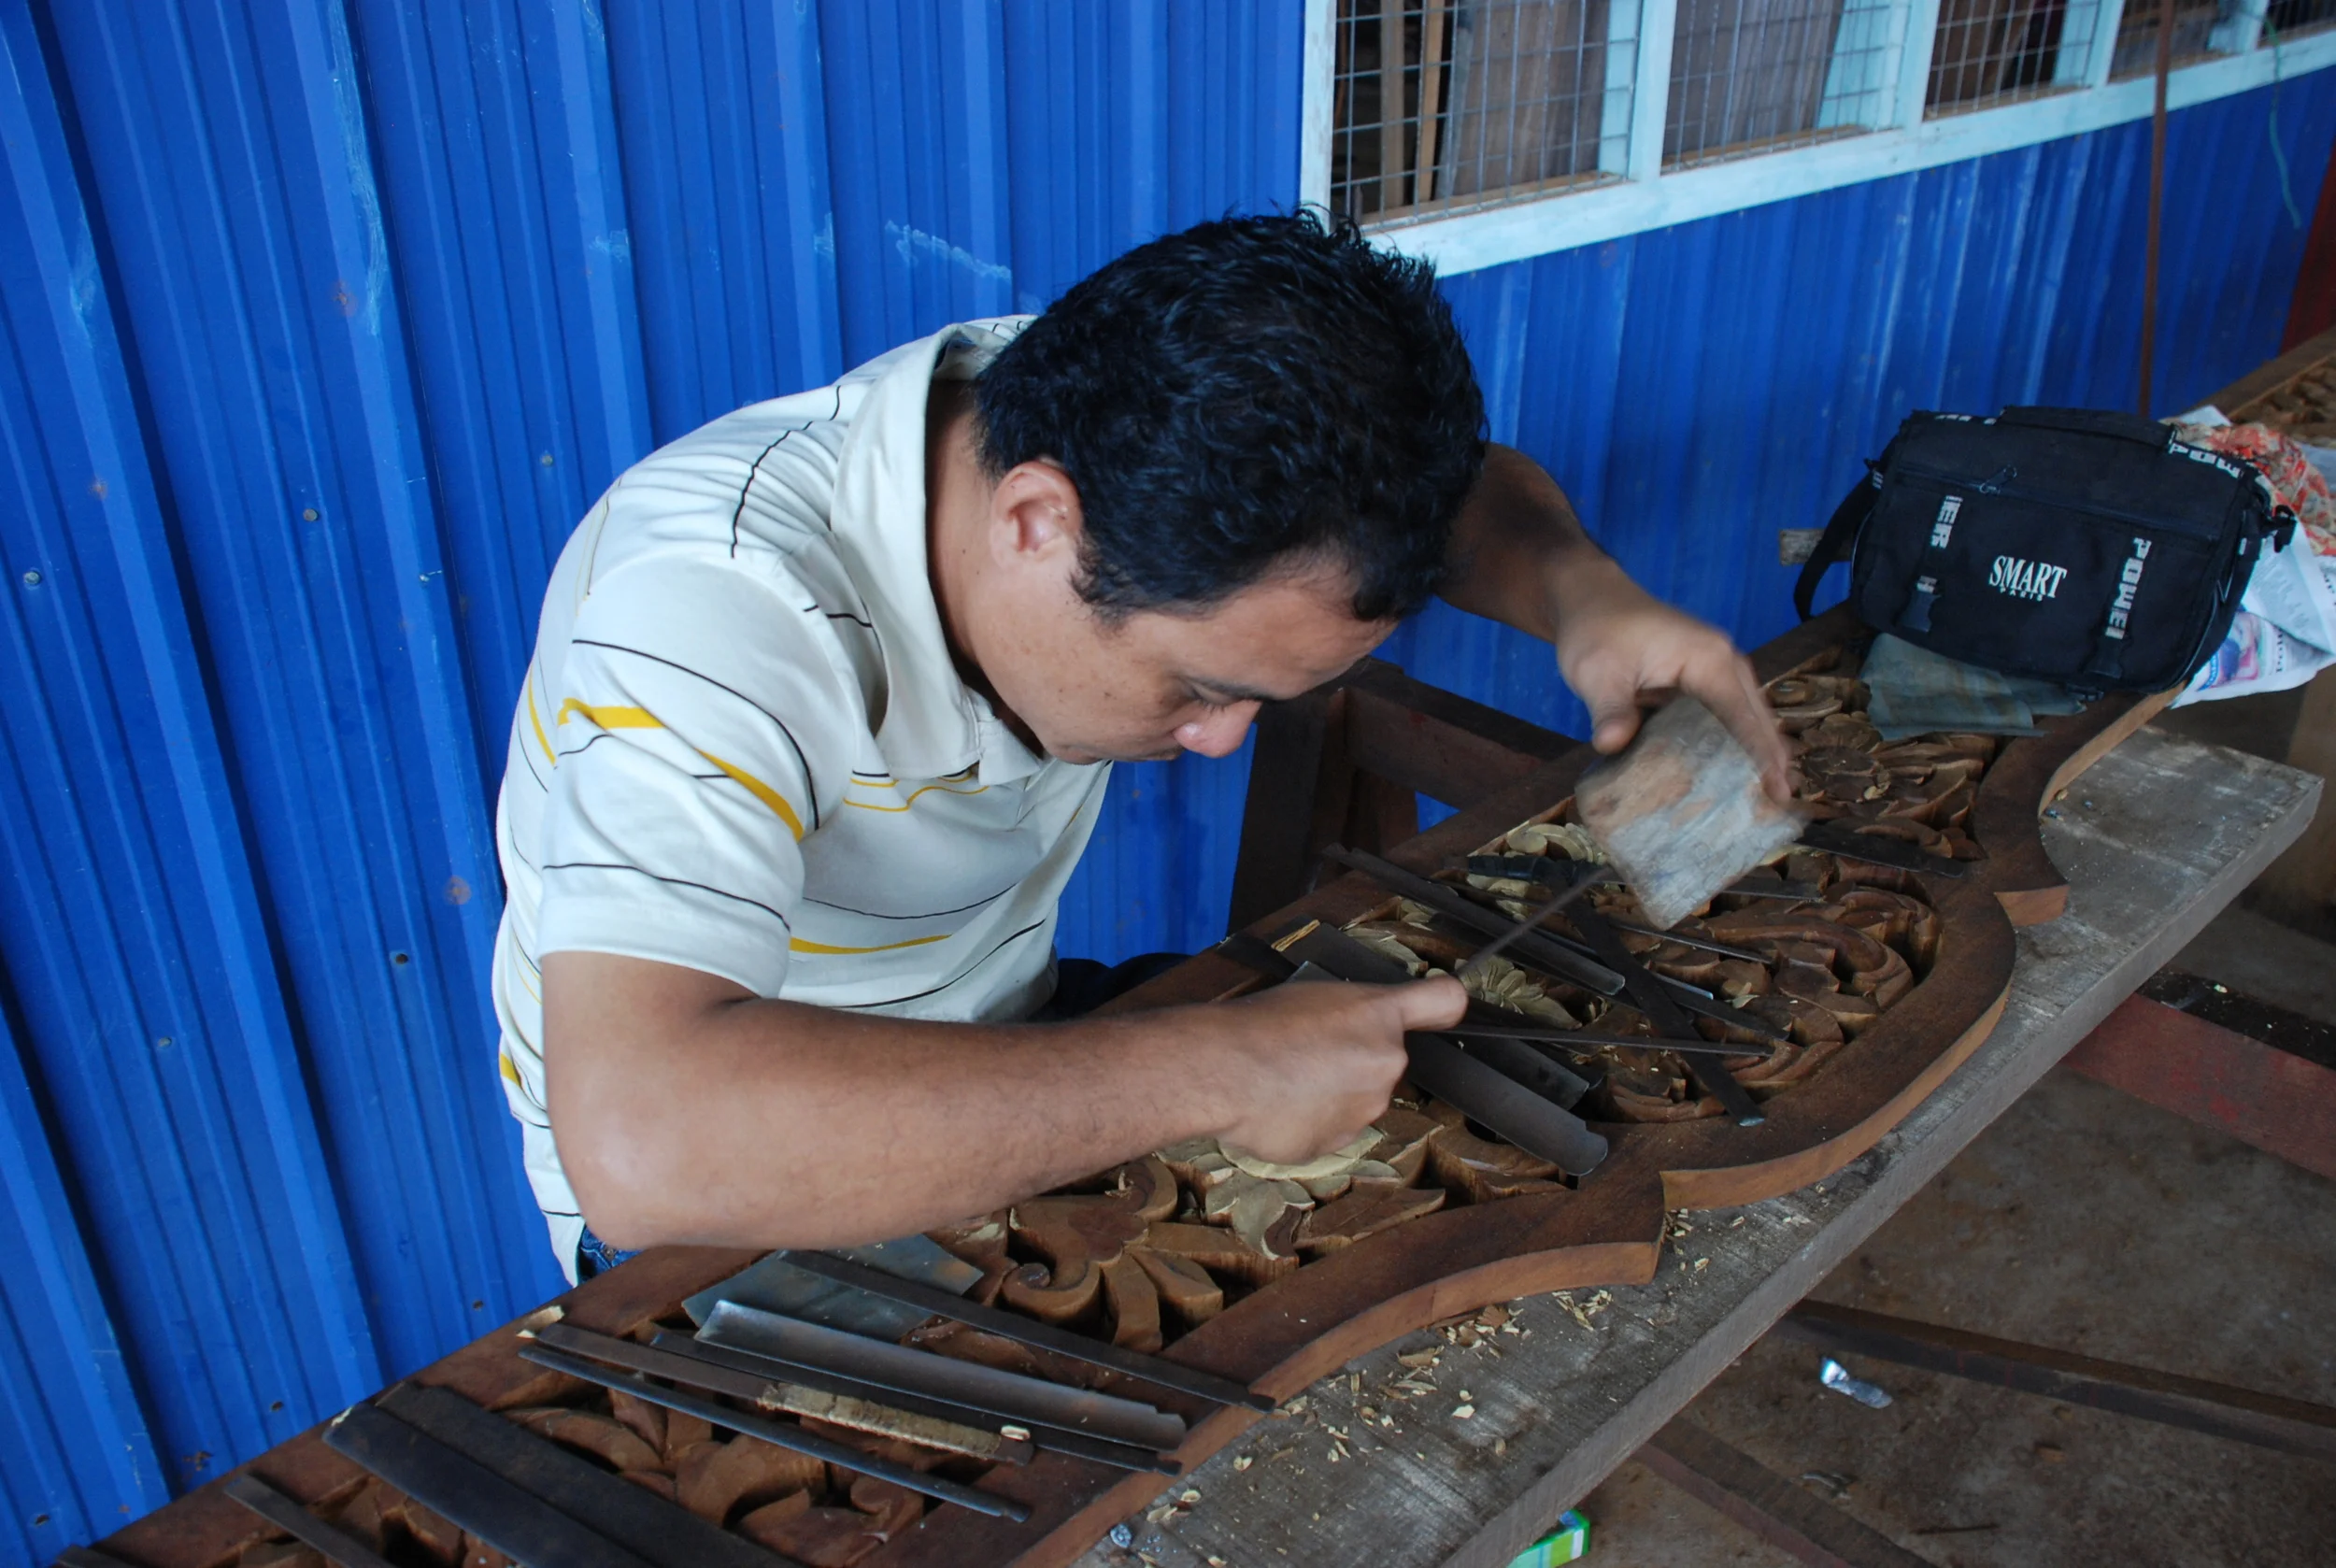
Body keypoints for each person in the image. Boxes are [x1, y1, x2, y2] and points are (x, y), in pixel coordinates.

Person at [491, 212, 1788, 1281]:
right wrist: (1216, 1066)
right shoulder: (713, 606)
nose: (1222, 742)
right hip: (743, 1180)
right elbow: (648, 1138)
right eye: (1197, 685)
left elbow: (1448, 493)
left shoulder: (1103, 409)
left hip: (1004, 1024)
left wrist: (1581, 593)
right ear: (1036, 524)